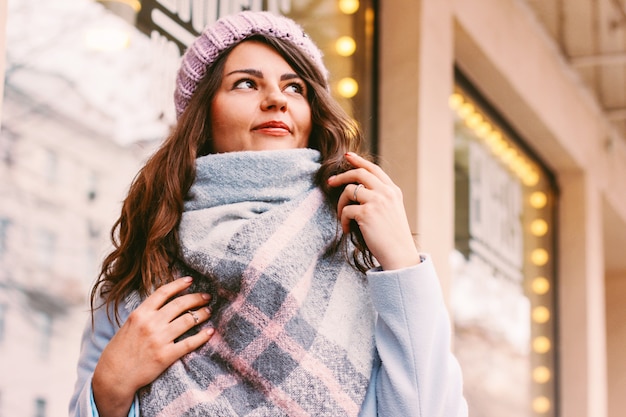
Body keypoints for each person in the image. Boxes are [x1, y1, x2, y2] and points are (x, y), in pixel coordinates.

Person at [70, 10, 468, 417]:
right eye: (246, 82)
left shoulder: (357, 252)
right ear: (203, 115)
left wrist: (402, 261)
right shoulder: (146, 263)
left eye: (294, 87)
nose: (277, 99)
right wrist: (108, 390)